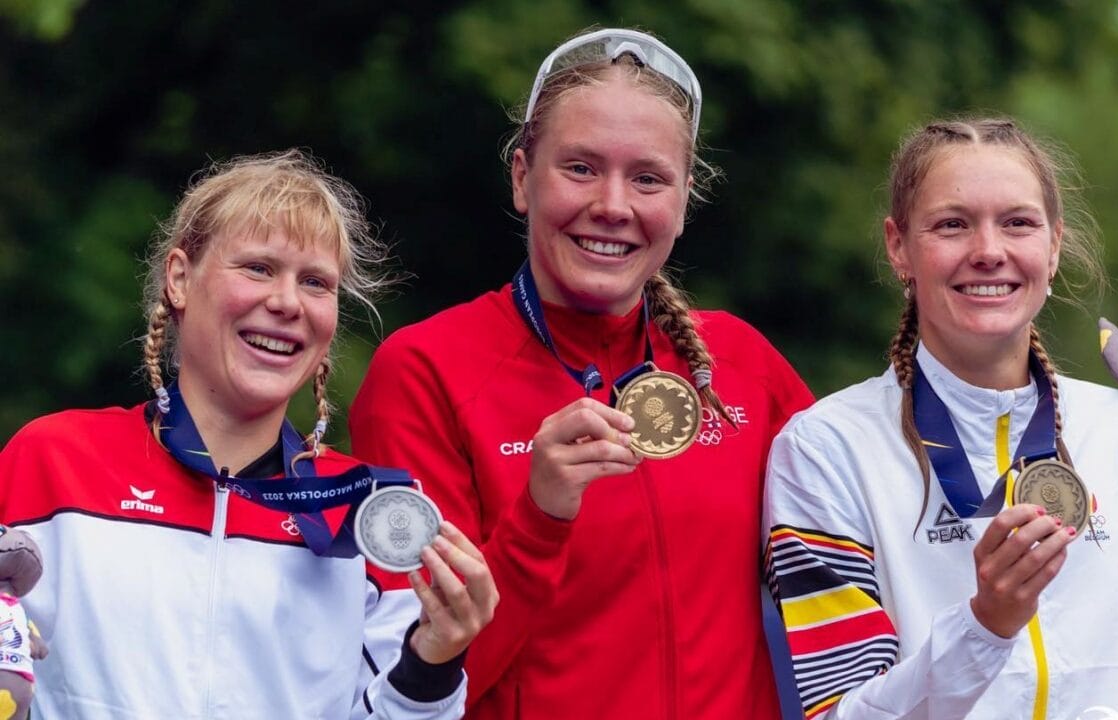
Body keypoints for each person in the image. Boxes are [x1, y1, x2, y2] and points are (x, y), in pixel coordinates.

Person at [349, 28, 814, 719]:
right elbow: (418, 682)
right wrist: (539, 518)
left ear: (684, 201)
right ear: (521, 178)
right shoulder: (426, 373)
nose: (613, 206)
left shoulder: (742, 364)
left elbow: (860, 575)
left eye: (648, 178)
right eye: (581, 168)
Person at [0, 150, 498, 719]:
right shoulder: (54, 460)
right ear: (180, 279)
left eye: (315, 282)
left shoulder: (364, 513)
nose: (286, 302)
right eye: (258, 268)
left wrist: (433, 664)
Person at [765, 118, 1118, 719]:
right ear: (898, 246)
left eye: (1018, 223)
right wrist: (985, 626)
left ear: (1054, 245)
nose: (988, 251)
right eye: (952, 224)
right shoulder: (825, 450)